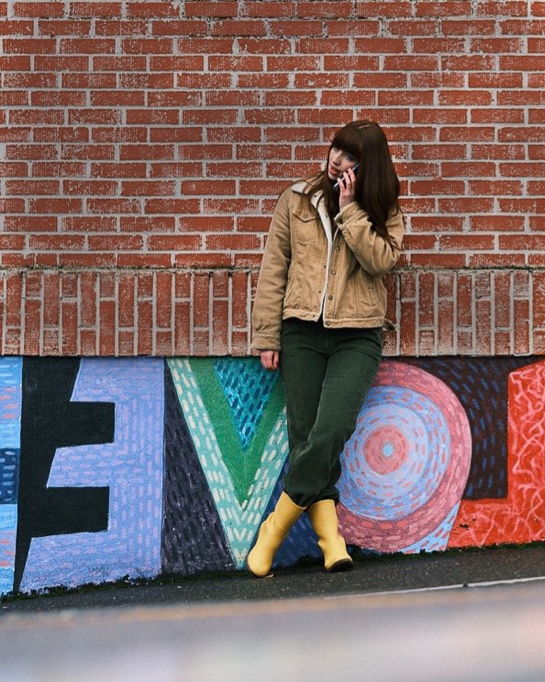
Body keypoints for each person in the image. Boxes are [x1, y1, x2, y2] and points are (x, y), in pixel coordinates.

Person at [247, 120, 405, 577]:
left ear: (366, 165)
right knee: (305, 436)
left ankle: (273, 530)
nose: (337, 159)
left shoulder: (383, 207)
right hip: (301, 331)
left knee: (331, 429)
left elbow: (382, 261)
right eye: (337, 149)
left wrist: (351, 210)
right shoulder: (296, 199)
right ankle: (331, 540)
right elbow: (274, 268)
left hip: (357, 333)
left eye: (350, 156)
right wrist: (268, 336)